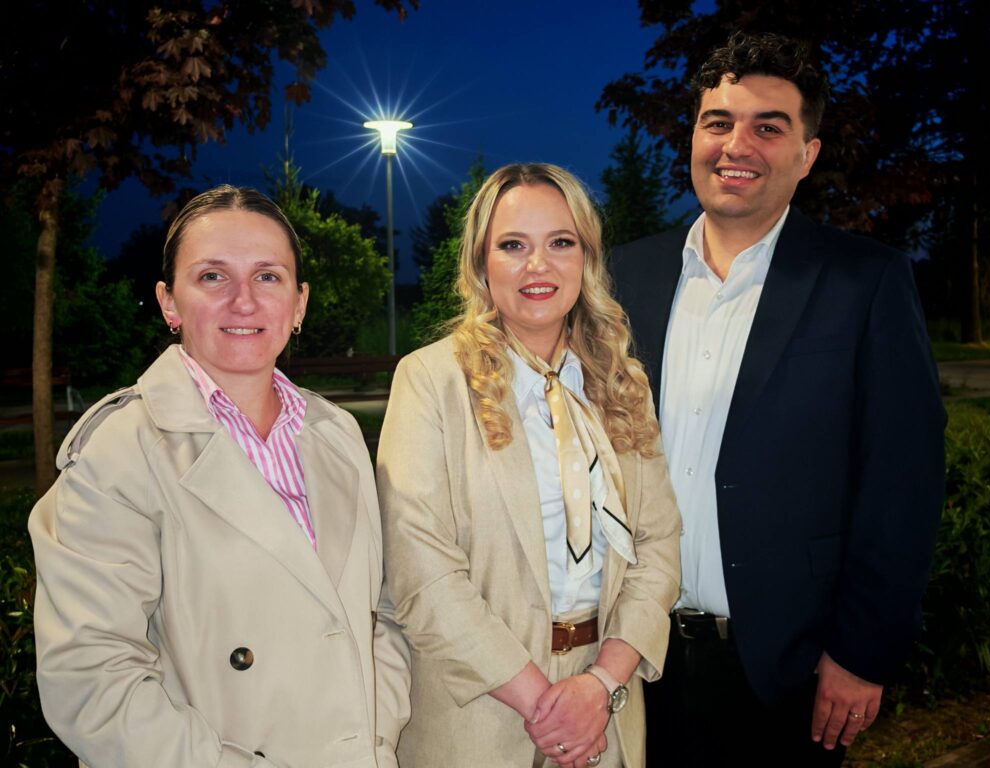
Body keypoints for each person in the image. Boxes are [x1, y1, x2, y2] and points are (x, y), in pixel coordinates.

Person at [611, 32, 946, 766]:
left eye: (769, 127)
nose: (737, 145)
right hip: (632, 660)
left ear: (807, 154)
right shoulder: (621, 276)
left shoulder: (866, 281)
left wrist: (862, 653)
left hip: (786, 670)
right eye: (719, 123)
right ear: (693, 137)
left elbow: (903, 480)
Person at [29, 185, 410, 768]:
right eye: (212, 276)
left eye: (268, 277)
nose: (244, 301)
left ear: (299, 303)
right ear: (169, 303)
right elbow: (92, 680)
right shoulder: (117, 453)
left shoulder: (336, 434)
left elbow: (381, 612)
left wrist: (376, 740)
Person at [376, 163, 681, 768]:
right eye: (513, 246)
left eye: (560, 243)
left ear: (586, 259)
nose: (537, 265)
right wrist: (547, 706)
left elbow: (658, 546)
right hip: (478, 713)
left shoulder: (623, 384)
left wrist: (600, 686)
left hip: (605, 709)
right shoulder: (431, 381)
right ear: (481, 264)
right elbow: (421, 575)